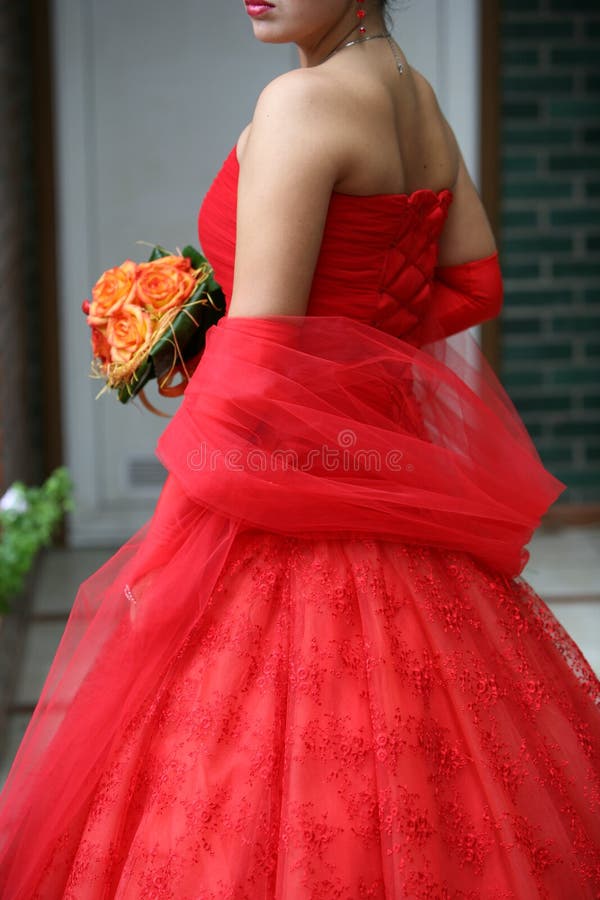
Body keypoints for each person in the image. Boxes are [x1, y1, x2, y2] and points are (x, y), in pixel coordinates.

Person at [1, 0, 599, 896]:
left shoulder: (302, 103)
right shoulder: (411, 92)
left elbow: (254, 369)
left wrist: (167, 552)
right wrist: (353, 360)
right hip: (384, 478)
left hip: (284, 496)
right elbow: (476, 280)